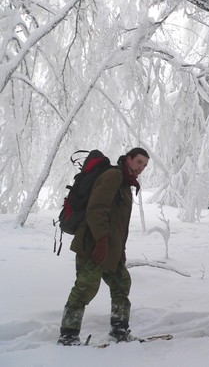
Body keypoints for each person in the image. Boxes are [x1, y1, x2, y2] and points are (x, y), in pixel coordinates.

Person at [57, 147, 150, 346]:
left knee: (121, 283)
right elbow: (96, 209)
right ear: (129, 159)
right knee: (85, 287)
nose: (141, 167)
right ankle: (68, 335)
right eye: (139, 162)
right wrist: (101, 241)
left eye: (145, 165)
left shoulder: (125, 183)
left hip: (111, 249)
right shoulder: (113, 176)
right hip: (93, 245)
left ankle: (119, 331)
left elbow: (118, 223)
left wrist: (120, 249)